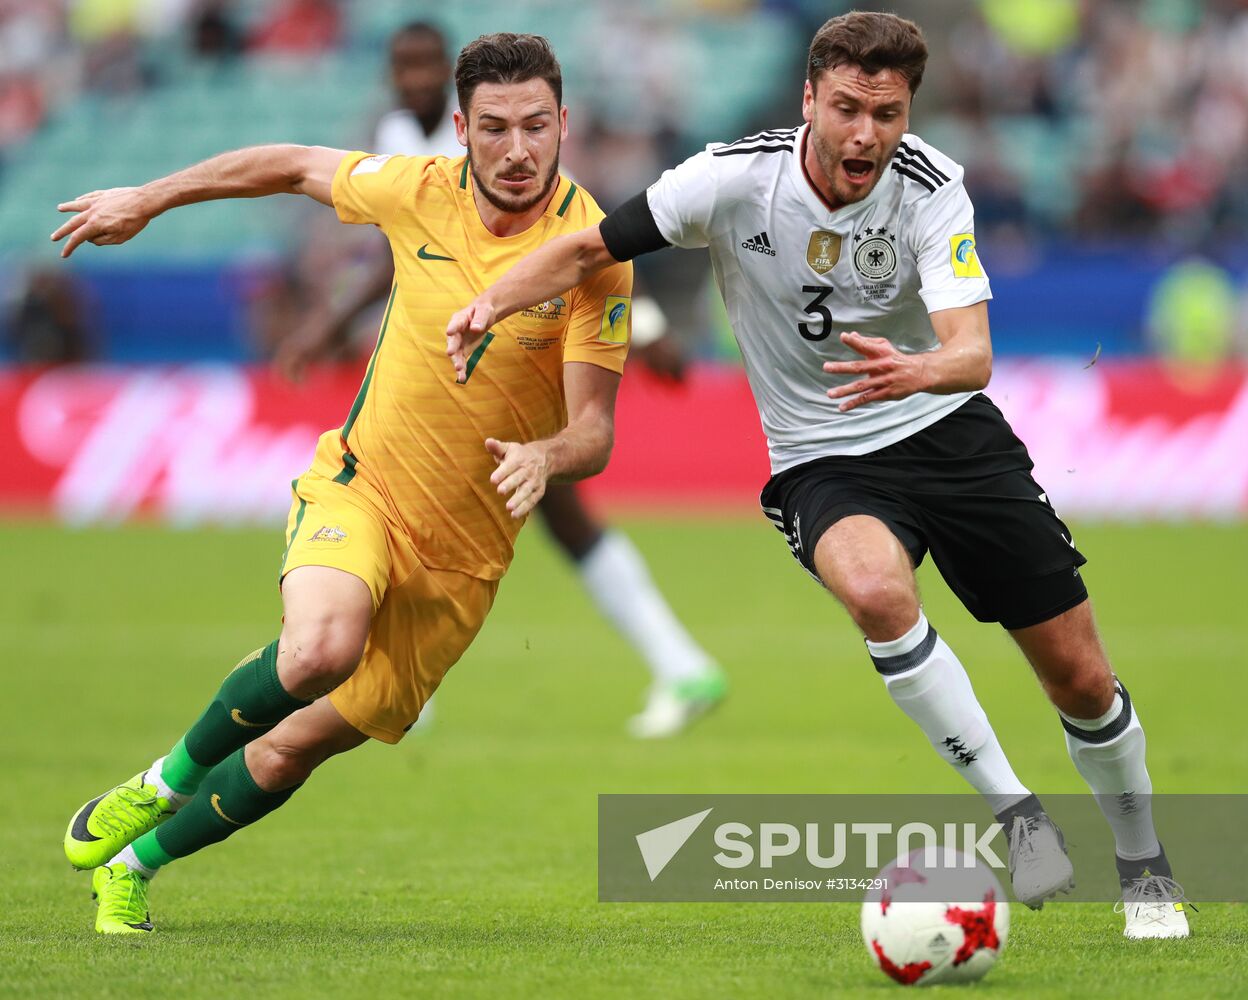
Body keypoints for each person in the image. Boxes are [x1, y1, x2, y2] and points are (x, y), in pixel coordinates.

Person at [446, 13, 1189, 939]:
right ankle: (1017, 815)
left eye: (887, 112)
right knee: (876, 591)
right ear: (809, 100)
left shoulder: (930, 188)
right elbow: (592, 247)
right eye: (847, 108)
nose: (866, 134)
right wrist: (490, 300)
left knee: (1080, 679)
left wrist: (919, 369)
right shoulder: (728, 179)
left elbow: (974, 354)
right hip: (821, 456)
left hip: (950, 435)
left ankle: (1143, 861)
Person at [57, 33, 632, 935]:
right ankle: (157, 784)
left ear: (563, 124)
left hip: (463, 565)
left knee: (289, 752)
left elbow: (593, 431)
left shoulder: (595, 254)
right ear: (461, 129)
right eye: (493, 129)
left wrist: (547, 456)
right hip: (363, 487)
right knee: (320, 648)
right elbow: (287, 165)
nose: (515, 151)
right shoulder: (418, 191)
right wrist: (149, 198)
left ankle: (134, 865)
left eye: (533, 126)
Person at [275, 20, 726, 740]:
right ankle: (676, 662)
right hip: (450, 352)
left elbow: (581, 252)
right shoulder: (405, 139)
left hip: (520, 355)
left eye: (427, 63)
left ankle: (677, 662)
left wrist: (646, 332)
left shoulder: (500, 137)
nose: (417, 76)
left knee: (550, 506)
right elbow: (405, 255)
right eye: (407, 65)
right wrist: (333, 325)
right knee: (546, 516)